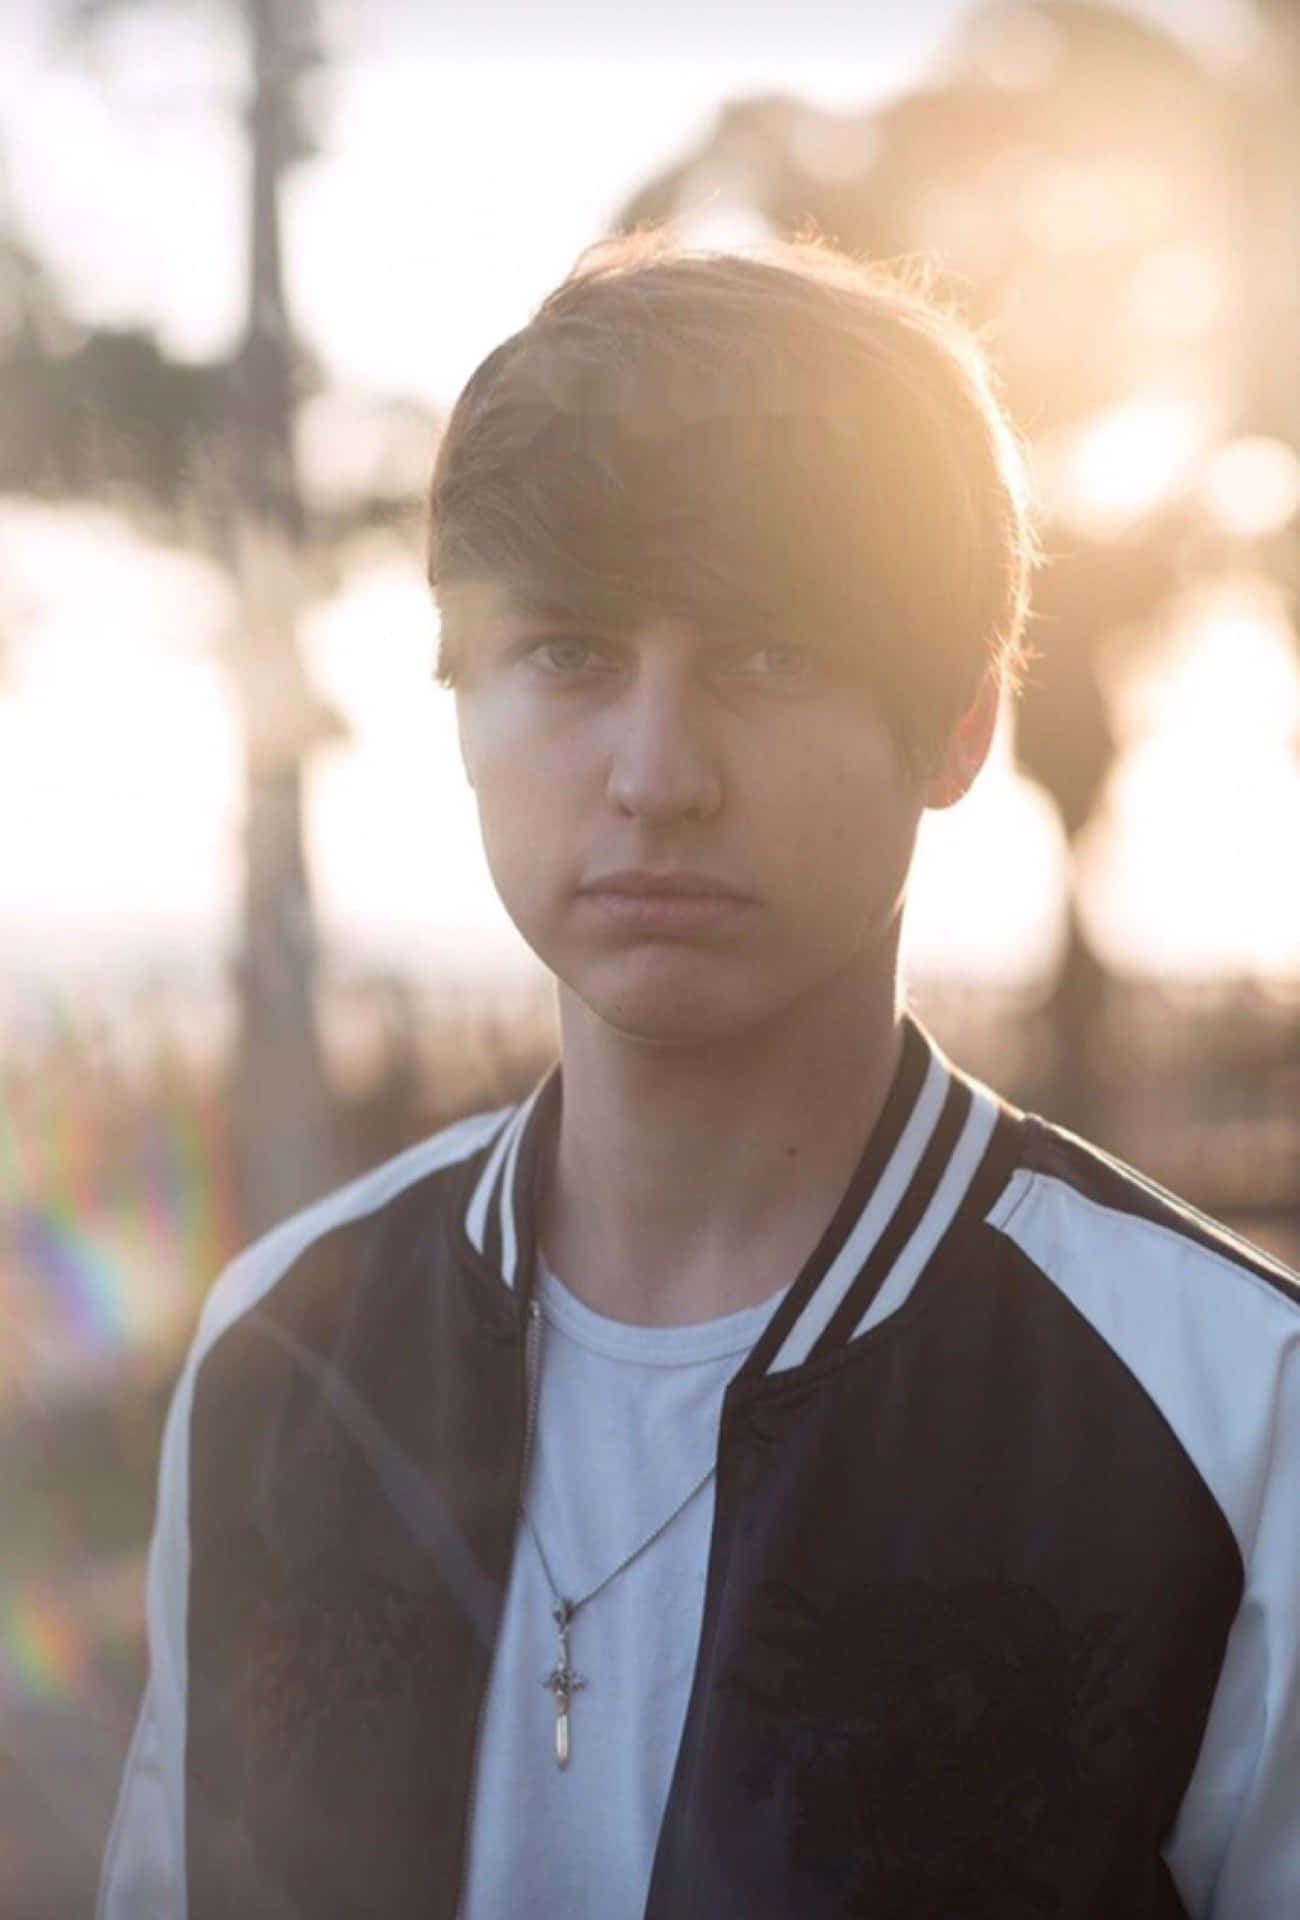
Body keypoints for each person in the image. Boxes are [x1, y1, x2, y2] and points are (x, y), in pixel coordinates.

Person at [98, 231, 1299, 1920]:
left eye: (771, 655)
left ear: (959, 720)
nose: (658, 777)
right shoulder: (289, 1345)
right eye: (570, 656)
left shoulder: (1240, 1413)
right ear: (459, 702)